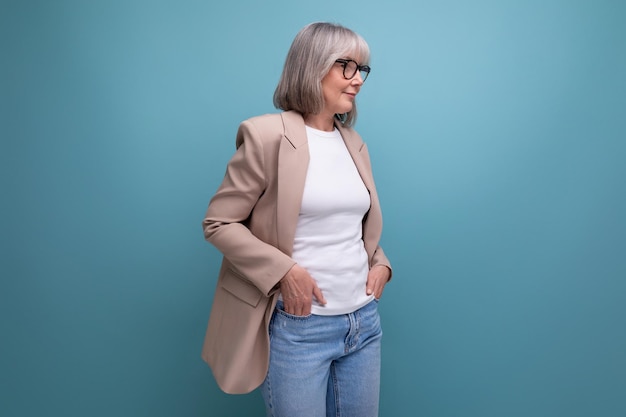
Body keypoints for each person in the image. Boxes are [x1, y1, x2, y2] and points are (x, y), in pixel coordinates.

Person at [201, 22, 392, 417]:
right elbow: (219, 223)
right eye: (347, 66)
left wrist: (381, 263)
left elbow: (349, 226)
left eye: (363, 69)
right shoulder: (266, 136)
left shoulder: (353, 143)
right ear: (313, 65)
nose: (358, 80)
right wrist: (284, 271)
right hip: (300, 329)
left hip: (363, 323)